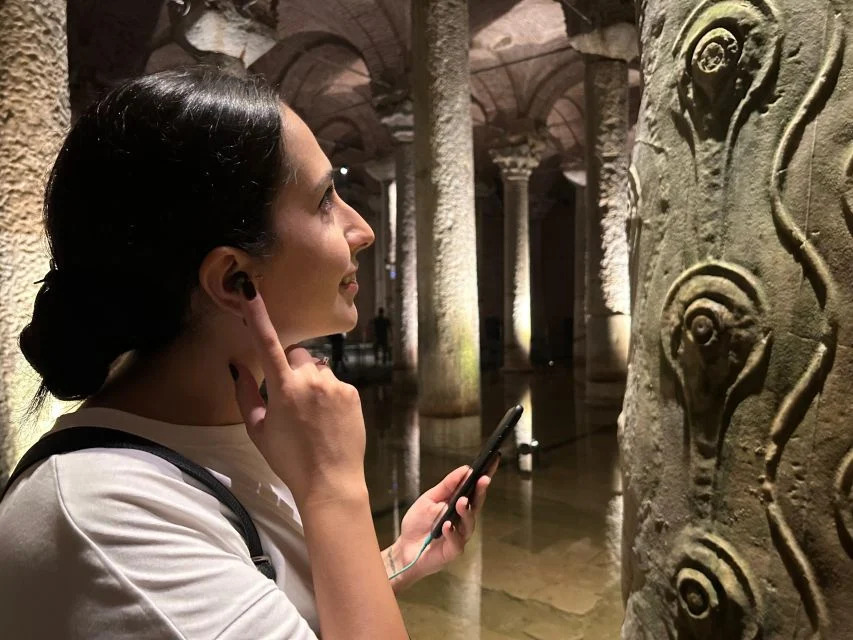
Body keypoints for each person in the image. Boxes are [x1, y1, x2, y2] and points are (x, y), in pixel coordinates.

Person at [0, 68, 497, 639]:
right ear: (236, 279)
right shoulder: (106, 517)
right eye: (325, 200)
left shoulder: (229, 429)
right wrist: (335, 489)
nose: (362, 230)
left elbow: (264, 603)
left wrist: (390, 561)